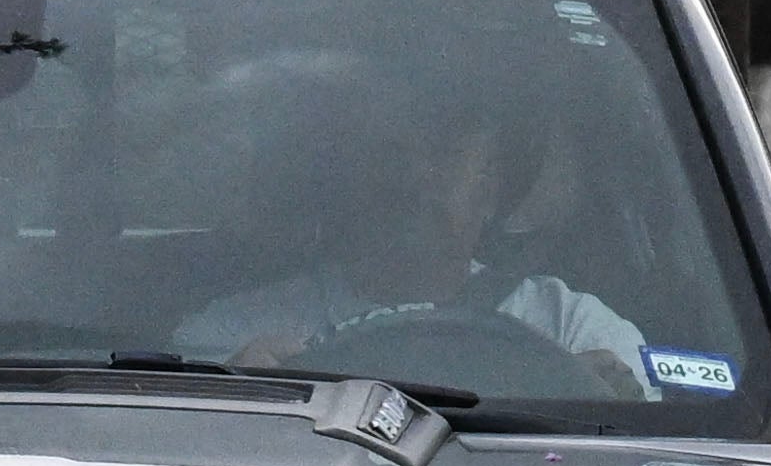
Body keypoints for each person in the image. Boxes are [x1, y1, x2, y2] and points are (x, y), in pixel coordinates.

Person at [173, 61, 650, 388]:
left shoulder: (574, 329)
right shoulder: (230, 335)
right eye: (388, 155)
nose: (411, 179)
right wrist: (240, 396)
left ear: (491, 191)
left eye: (442, 155)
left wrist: (602, 403)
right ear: (343, 183)